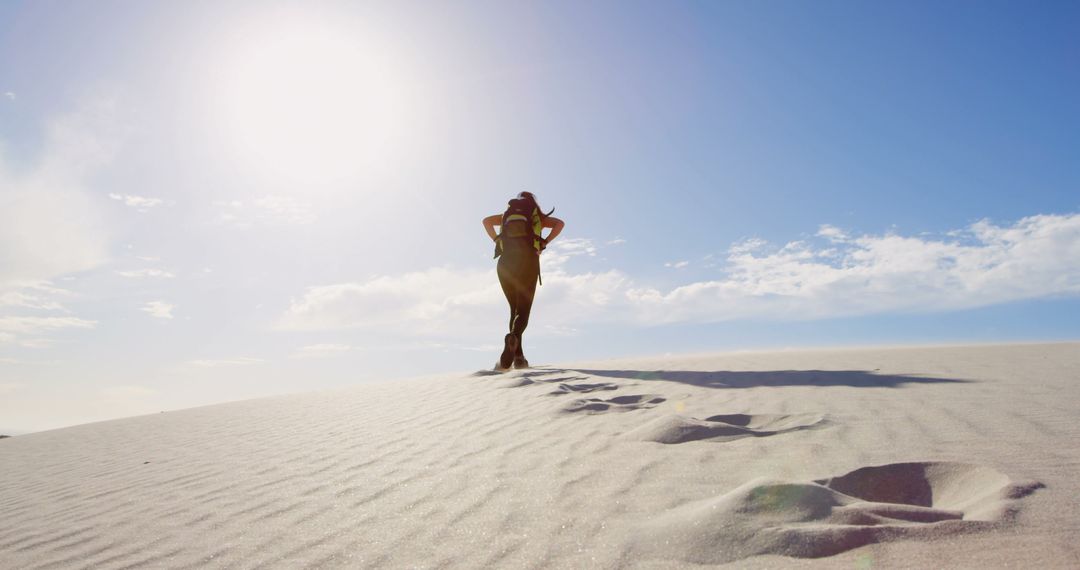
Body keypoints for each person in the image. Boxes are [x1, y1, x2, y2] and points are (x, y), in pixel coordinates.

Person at [482, 191, 565, 370]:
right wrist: (544, 242)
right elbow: (560, 224)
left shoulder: (505, 215)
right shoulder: (537, 216)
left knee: (514, 309)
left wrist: (497, 239)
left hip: (505, 263)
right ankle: (513, 339)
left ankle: (519, 357)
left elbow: (486, 222)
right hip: (528, 261)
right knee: (523, 310)